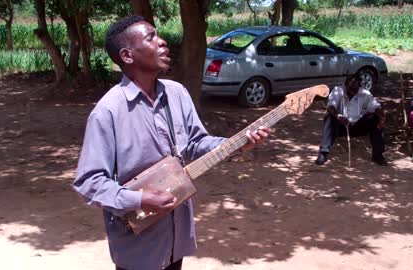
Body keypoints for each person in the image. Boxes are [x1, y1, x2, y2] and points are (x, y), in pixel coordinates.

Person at [73, 15, 270, 270]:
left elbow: (197, 142)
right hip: (138, 246)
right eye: (151, 37)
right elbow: (89, 182)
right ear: (127, 56)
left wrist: (237, 144)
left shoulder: (176, 93)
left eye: (159, 35)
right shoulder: (108, 112)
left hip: (176, 236)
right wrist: (139, 199)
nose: (163, 42)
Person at [315, 74, 387, 166]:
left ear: (359, 86)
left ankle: (378, 155)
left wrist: (382, 118)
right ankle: (323, 153)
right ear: (346, 85)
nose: (352, 92)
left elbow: (376, 107)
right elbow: (330, 106)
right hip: (341, 125)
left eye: (355, 89)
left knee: (375, 119)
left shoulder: (365, 94)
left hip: (357, 126)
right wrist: (339, 116)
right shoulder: (338, 90)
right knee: (329, 117)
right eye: (350, 89)